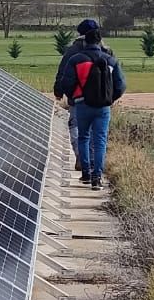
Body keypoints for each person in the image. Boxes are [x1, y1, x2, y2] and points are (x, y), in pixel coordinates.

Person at [52, 18, 126, 190]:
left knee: (83, 136)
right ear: (99, 39)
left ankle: (85, 172)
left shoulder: (75, 56)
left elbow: (65, 80)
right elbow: (120, 85)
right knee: (100, 140)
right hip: (103, 107)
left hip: (81, 104)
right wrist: (109, 98)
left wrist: (72, 96)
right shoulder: (110, 57)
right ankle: (97, 177)